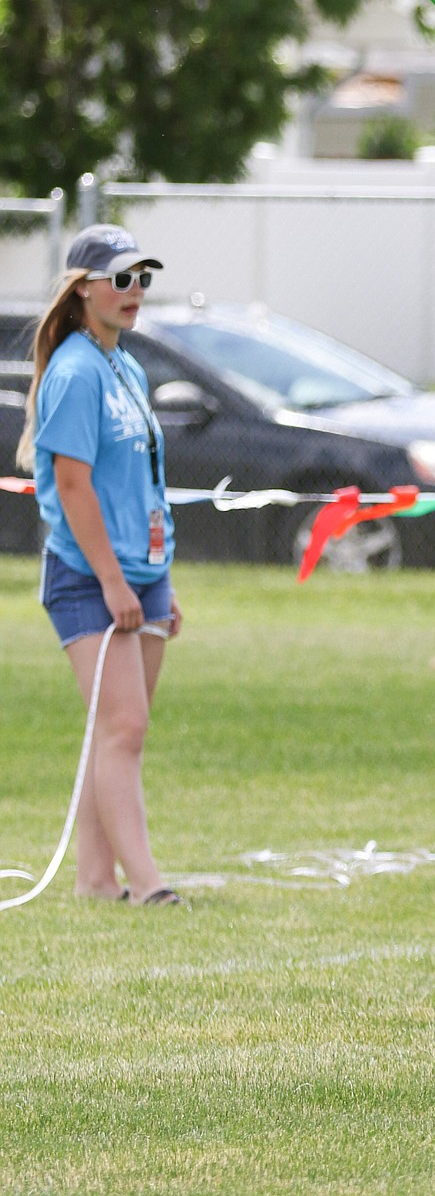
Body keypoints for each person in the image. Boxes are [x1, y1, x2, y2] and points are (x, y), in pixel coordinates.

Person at [16, 224, 184, 907]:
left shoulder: (126, 366)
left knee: (111, 729)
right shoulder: (76, 369)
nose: (134, 292)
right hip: (90, 578)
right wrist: (113, 580)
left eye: (142, 279)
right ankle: (146, 884)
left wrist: (158, 576)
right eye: (121, 280)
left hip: (142, 575)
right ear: (81, 290)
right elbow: (74, 485)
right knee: (124, 727)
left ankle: (94, 877)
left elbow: (141, 480)